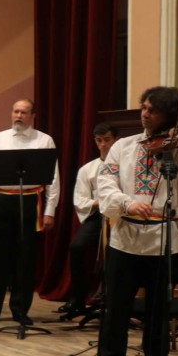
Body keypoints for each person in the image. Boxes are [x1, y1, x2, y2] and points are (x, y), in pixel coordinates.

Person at [96, 86, 178, 356]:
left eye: (152, 110)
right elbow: (105, 183)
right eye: (144, 107)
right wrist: (127, 202)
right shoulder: (123, 146)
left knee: (159, 314)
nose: (144, 114)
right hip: (126, 239)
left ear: (169, 115)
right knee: (116, 309)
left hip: (166, 239)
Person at [0, 99, 60, 326]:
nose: (19, 115)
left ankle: (20, 310)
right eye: (16, 111)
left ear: (33, 116)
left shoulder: (44, 140)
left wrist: (49, 210)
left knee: (25, 259)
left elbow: (53, 178)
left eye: (24, 112)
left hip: (30, 201)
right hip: (0, 200)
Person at [60, 123, 117, 315]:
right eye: (99, 140)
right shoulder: (88, 169)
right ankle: (78, 298)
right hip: (98, 215)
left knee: (115, 255)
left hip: (120, 216)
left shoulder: (124, 166)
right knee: (77, 247)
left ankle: (114, 300)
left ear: (115, 140)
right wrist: (99, 202)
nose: (103, 145)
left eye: (107, 140)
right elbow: (80, 200)